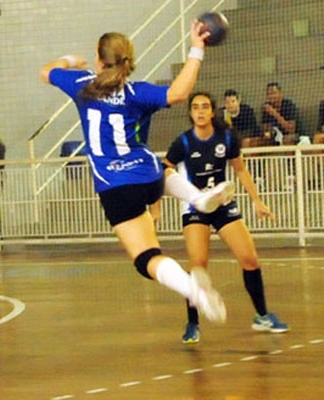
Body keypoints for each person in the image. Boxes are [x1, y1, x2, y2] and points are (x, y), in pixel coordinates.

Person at [39, 22, 232, 326]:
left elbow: (46, 71)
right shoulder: (137, 92)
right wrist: (197, 48)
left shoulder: (82, 83)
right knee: (163, 174)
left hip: (115, 187)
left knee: (146, 258)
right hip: (148, 174)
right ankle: (197, 196)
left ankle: (193, 290)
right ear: (129, 61)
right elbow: (180, 93)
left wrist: (69, 61)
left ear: (100, 60)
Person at [163, 92, 290, 344]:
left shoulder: (227, 138)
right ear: (190, 113)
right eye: (196, 107)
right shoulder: (183, 143)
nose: (200, 111)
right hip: (194, 207)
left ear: (213, 112)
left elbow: (240, 169)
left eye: (205, 107)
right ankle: (192, 323)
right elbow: (165, 168)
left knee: (250, 259)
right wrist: (158, 205)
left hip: (222, 205)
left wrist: (257, 200)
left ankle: (262, 315)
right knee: (198, 267)